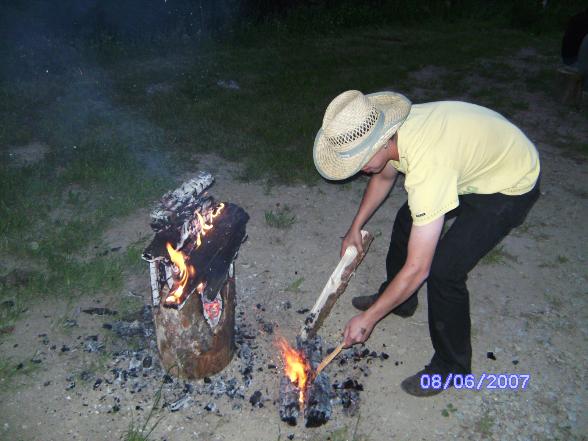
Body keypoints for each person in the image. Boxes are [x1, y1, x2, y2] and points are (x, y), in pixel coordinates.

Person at [313, 90, 540, 397]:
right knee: (408, 219)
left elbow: (418, 268)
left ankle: (452, 368)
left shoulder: (427, 161)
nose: (358, 170)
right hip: (469, 164)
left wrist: (369, 318)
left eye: (359, 162)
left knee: (445, 269)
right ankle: (401, 301)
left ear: (383, 141)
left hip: (509, 182)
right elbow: (382, 177)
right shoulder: (392, 134)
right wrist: (355, 227)